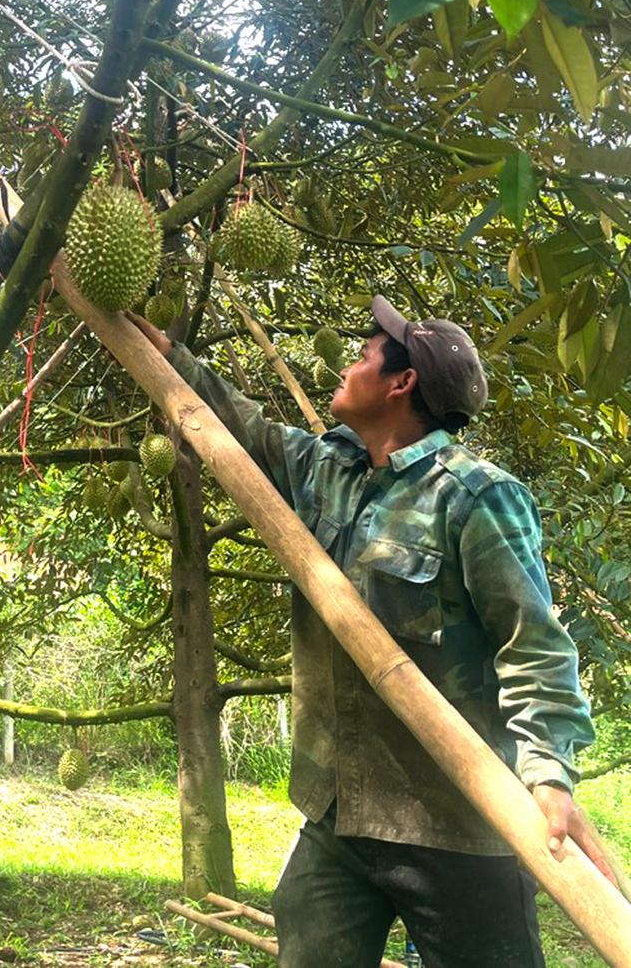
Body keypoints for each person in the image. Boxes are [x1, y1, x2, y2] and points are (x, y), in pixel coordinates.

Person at [128, 295, 613, 968]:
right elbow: (241, 425)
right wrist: (165, 355)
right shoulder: (329, 472)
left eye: (362, 357)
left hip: (458, 825)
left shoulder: (474, 496)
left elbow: (532, 642)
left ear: (401, 381)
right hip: (338, 813)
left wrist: (547, 772)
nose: (347, 365)